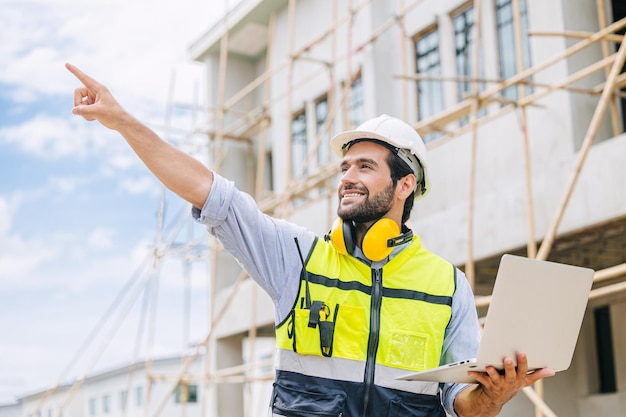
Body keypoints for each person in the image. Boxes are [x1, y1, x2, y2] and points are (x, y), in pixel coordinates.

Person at [66, 62, 554, 417]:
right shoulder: (296, 257)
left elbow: (459, 407)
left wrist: (494, 393)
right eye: (344, 167)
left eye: (366, 166)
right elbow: (208, 190)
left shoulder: (449, 287)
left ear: (406, 184)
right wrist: (122, 121)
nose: (348, 177)